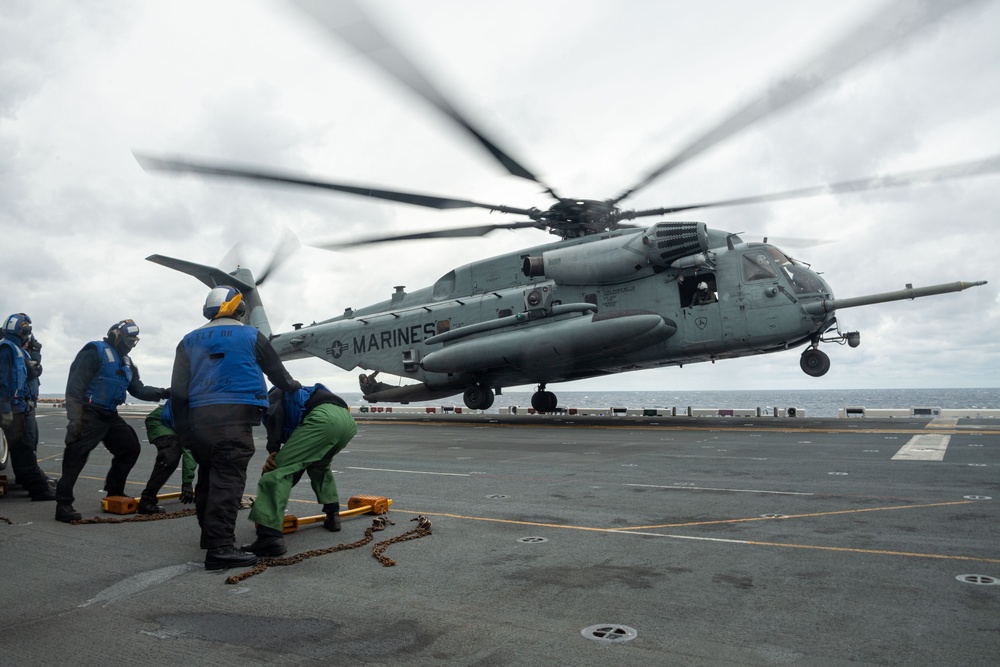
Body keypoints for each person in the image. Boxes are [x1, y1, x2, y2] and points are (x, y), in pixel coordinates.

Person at [171, 285, 300, 571]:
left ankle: (212, 538)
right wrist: (294, 388)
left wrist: (184, 432)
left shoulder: (188, 341)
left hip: (198, 422)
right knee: (227, 481)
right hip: (234, 420)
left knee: (208, 478)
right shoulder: (251, 335)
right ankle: (219, 549)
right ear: (239, 310)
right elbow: (279, 375)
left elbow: (177, 393)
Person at [56, 320, 170, 523]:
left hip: (109, 414)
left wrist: (165, 393)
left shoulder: (127, 362)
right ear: (116, 335)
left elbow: (138, 389)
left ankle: (114, 490)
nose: (130, 345)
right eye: (128, 340)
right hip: (89, 413)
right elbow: (75, 387)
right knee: (76, 456)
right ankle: (63, 504)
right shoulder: (94, 351)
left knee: (130, 447)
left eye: (134, 342)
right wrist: (75, 419)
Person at [242, 383, 357, 557]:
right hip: (347, 421)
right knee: (319, 466)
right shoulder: (298, 396)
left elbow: (274, 415)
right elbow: (300, 459)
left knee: (276, 473)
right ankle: (333, 515)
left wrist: (273, 451)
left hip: (323, 419)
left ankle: (269, 537)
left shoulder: (271, 395)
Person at [0, 313, 56, 501]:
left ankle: (34, 484)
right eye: (25, 329)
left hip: (19, 407)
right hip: (12, 409)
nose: (27, 333)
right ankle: (38, 489)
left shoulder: (15, 350)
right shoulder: (7, 349)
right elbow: (3, 381)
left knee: (23, 449)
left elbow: (29, 373)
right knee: (24, 449)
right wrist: (5, 408)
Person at [137, 399, 198, 514]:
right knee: (170, 454)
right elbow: (188, 450)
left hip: (178, 422)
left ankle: (202, 493)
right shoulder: (196, 414)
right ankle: (147, 500)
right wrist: (187, 482)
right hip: (160, 420)